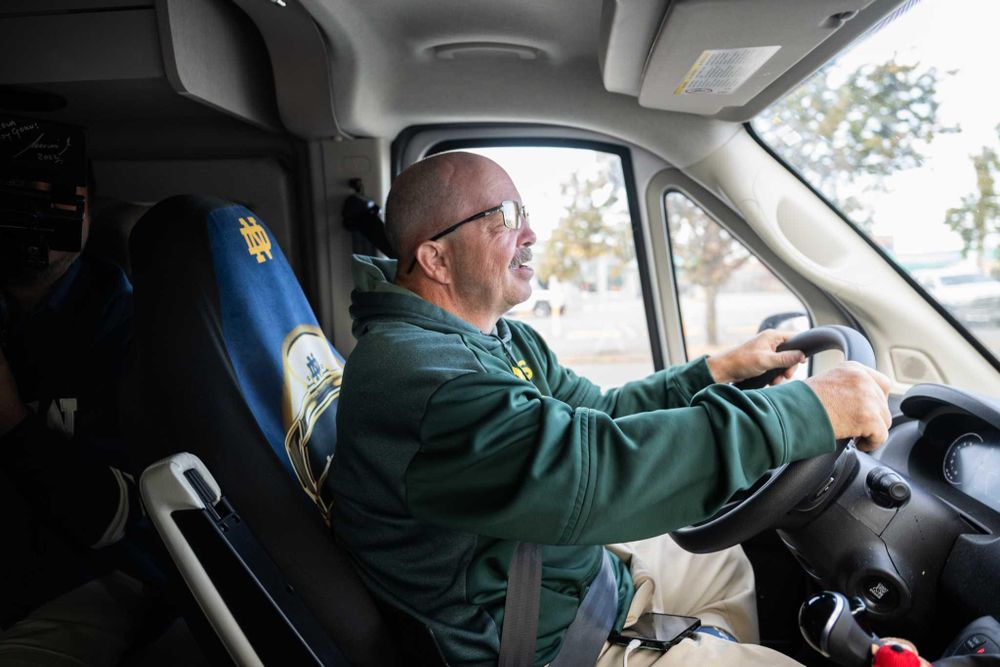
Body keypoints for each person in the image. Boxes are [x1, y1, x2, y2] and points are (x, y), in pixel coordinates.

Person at [328, 151, 893, 666]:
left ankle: (705, 646)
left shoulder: (499, 340)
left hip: (583, 581)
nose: (530, 232)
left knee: (724, 560)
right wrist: (805, 414)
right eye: (503, 216)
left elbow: (601, 413)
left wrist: (719, 372)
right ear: (437, 259)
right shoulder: (421, 376)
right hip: (546, 646)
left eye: (523, 210)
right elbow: (590, 472)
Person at [0, 171, 161, 664]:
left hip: (94, 577)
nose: (36, 215)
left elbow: (110, 518)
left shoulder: (134, 328)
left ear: (87, 206)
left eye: (57, 195)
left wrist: (9, 415)